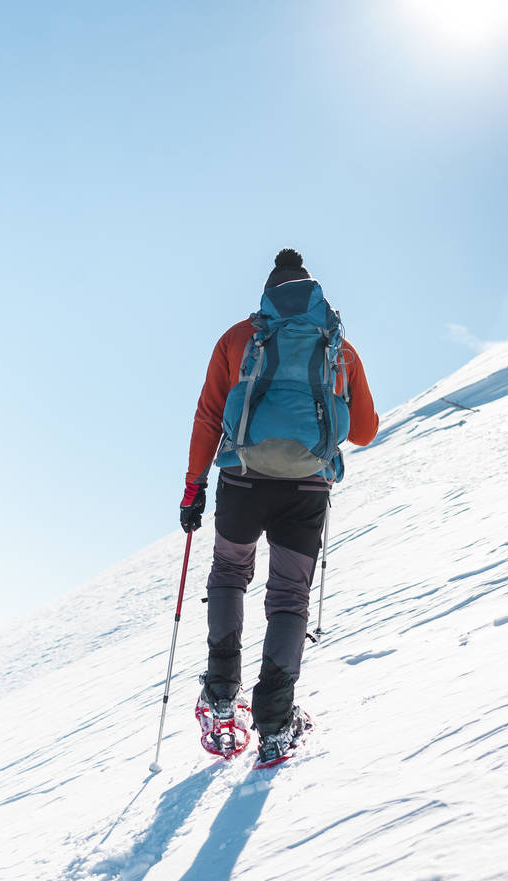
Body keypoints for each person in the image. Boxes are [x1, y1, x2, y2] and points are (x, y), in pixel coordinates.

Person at [180, 249, 379, 764]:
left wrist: (193, 487)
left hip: (242, 481)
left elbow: (208, 414)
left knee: (229, 572)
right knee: (289, 596)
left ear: (269, 294)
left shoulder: (238, 339)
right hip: (307, 488)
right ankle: (274, 721)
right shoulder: (339, 348)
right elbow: (363, 431)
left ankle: (222, 697)